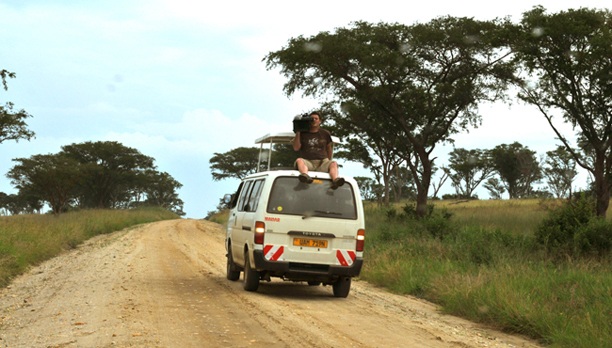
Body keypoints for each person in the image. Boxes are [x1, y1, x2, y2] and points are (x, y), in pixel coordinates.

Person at [292, 111, 345, 189]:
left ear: (320, 121)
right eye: (311, 119)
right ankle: (305, 176)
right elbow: (296, 148)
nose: (314, 120)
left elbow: (328, 148)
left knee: (334, 163)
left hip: (322, 162)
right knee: (299, 160)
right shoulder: (303, 133)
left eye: (316, 119)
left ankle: (335, 180)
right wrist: (298, 131)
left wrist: (329, 162)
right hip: (308, 162)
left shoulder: (325, 133)